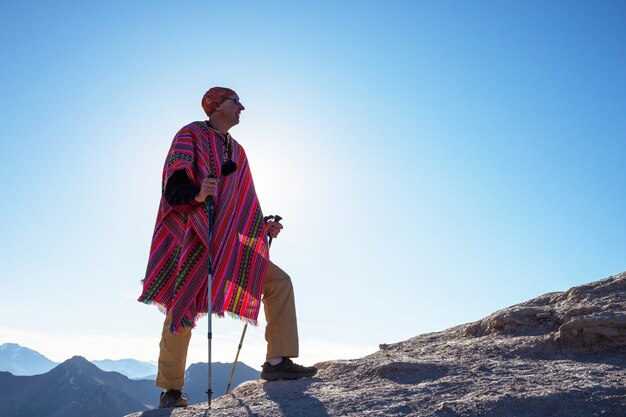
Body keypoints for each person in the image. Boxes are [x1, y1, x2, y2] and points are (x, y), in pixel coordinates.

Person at [138, 87, 317, 409]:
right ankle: (171, 390)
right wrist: (196, 195)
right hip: (194, 237)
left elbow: (241, 203)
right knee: (183, 307)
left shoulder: (238, 151)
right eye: (236, 102)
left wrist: (262, 228)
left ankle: (277, 363)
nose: (242, 108)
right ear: (216, 105)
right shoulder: (189, 134)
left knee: (278, 282)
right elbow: (173, 186)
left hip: (229, 244)